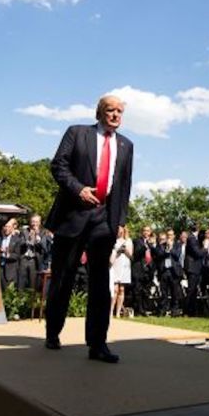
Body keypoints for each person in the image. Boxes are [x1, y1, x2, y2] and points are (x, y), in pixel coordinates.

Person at [43, 94, 134, 363]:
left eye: (119, 111)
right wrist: (78, 189)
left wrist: (119, 221)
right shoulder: (77, 133)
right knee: (63, 278)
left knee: (100, 284)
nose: (115, 115)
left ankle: (98, 344)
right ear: (99, 112)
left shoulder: (126, 145)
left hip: (103, 220)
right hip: (73, 215)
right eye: (110, 110)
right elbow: (58, 165)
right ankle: (53, 332)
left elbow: (125, 185)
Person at [109, 225, 133, 317]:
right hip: (115, 265)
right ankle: (111, 311)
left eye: (120, 229)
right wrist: (118, 250)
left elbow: (131, 255)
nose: (119, 230)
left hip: (125, 266)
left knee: (122, 289)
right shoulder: (113, 240)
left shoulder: (128, 241)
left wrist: (125, 249)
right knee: (114, 289)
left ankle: (118, 312)